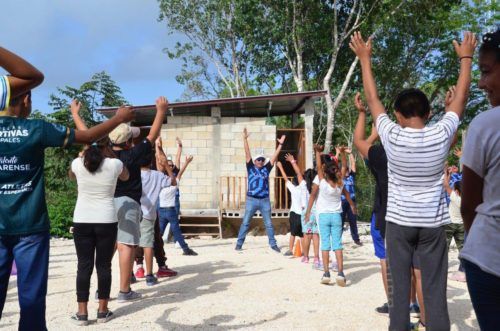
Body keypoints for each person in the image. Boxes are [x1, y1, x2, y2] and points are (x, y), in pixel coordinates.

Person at [0, 47, 134, 331]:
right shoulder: (36, 129)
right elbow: (86, 136)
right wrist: (118, 118)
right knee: (32, 300)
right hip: (30, 228)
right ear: (25, 100)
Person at [350, 30, 476, 330]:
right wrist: (466, 59)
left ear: (396, 114)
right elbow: (461, 98)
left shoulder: (391, 136)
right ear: (430, 112)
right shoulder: (441, 132)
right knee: (434, 290)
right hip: (432, 225)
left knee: (398, 297)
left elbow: (372, 98)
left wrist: (365, 59)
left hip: (398, 224)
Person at [460, 28, 500, 331]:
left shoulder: (486, 124)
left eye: (486, 71)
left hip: (487, 258)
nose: (482, 83)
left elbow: (469, 203)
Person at [68, 137, 129, 325]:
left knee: (83, 266)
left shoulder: (78, 162)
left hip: (82, 220)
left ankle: (82, 313)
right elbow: (126, 176)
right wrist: (110, 155)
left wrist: (82, 156)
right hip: (106, 219)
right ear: (108, 146)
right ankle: (103, 311)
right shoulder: (115, 163)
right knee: (103, 266)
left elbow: (72, 177)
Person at [305, 145, 356, 286]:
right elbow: (344, 166)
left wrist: (317, 151)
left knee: (325, 245)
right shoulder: (340, 183)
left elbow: (320, 167)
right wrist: (343, 154)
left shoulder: (322, 182)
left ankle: (326, 273)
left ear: (325, 173)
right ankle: (340, 273)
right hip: (336, 216)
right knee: (338, 245)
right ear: (336, 172)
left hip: (323, 216)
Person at [235, 128, 286, 252]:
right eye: (259, 159)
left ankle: (273, 244)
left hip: (264, 200)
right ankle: (239, 244)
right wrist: (245, 139)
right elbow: (247, 153)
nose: (261, 161)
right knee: (246, 222)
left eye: (262, 159)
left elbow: (274, 157)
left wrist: (280, 145)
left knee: (268, 223)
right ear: (254, 161)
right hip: (251, 199)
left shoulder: (266, 168)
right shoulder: (250, 167)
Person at [138, 143, 173, 286]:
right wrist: (167, 167)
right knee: (148, 244)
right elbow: (173, 181)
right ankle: (149, 275)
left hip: (133, 212)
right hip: (149, 214)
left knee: (129, 243)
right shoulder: (158, 176)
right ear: (151, 161)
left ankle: (132, 272)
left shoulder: (133, 174)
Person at [156, 139, 198, 256]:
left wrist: (158, 148)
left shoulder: (160, 181)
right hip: (170, 209)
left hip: (161, 209)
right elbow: (179, 174)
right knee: (176, 230)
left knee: (159, 232)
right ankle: (185, 249)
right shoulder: (175, 184)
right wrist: (187, 163)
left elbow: (162, 165)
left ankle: (154, 249)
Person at [275, 154, 305, 256]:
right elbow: (299, 173)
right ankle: (304, 251)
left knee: (292, 233)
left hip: (293, 213)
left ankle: (291, 250)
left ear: (294, 182)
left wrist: (280, 167)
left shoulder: (294, 189)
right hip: (303, 214)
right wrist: (293, 162)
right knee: (302, 234)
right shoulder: (304, 188)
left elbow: (285, 179)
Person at [443, 168, 466, 282]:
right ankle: (464, 271)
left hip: (450, 224)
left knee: (444, 248)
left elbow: (446, 185)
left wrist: (446, 172)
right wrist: (451, 174)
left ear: (456, 191)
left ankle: (442, 270)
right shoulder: (466, 200)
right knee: (462, 249)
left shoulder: (455, 197)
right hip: (462, 226)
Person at [340, 149, 362, 246]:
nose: (348, 170)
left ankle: (356, 239)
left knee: (353, 220)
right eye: (346, 169)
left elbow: (353, 164)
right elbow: (343, 165)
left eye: (348, 169)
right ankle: (338, 239)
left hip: (352, 201)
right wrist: (341, 153)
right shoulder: (340, 178)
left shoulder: (351, 176)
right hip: (342, 201)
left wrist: (350, 154)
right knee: (340, 221)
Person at [301, 169, 320, 265]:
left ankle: (306, 257)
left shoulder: (303, 185)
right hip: (316, 211)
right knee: (316, 235)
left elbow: (297, 172)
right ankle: (316, 257)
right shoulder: (318, 186)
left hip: (306, 211)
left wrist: (293, 162)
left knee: (306, 236)